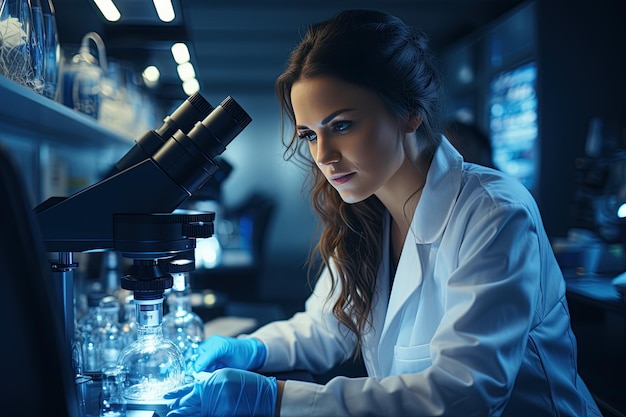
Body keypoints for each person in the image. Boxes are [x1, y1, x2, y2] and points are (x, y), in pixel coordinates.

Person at [166, 9, 602, 417]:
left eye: (342, 125)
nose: (325, 156)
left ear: (410, 112)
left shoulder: (493, 212)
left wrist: (272, 398)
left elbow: (466, 392)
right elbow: (326, 328)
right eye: (309, 135)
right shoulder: (364, 212)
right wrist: (249, 350)